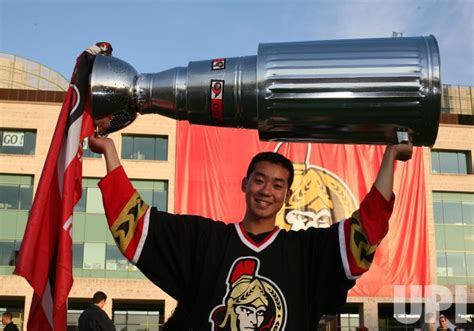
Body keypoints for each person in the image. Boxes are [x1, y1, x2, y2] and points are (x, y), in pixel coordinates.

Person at [88, 130, 413, 330]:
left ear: (287, 196)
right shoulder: (205, 241)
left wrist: (390, 157)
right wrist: (111, 154)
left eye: (277, 185)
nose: (266, 191)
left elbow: (367, 228)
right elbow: (136, 227)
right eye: (259, 180)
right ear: (245, 184)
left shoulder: (305, 252)